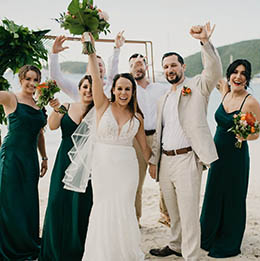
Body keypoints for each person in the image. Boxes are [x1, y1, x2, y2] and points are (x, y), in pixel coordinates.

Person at [64, 33, 151, 260]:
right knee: (103, 207)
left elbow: (144, 148)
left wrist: (157, 164)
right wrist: (90, 49)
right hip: (104, 166)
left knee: (124, 208)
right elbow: (94, 74)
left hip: (127, 168)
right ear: (112, 89)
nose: (123, 93)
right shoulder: (102, 105)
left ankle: (125, 253)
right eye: (120, 88)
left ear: (133, 92)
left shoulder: (137, 118)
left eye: (127, 89)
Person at [148, 22, 222, 260]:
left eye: (173, 65)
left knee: (189, 212)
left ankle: (191, 256)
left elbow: (214, 70)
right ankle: (176, 245)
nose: (170, 69)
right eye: (166, 67)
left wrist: (204, 42)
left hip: (188, 158)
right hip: (166, 161)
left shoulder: (198, 85)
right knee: (174, 211)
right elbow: (160, 133)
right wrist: (154, 160)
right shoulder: (163, 98)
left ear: (183, 66)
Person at [0, 51, 48, 260]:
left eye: (36, 80)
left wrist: (45, 157)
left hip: (31, 158)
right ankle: (6, 246)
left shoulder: (39, 105)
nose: (31, 83)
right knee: (9, 200)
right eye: (28, 79)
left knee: (28, 201)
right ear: (21, 80)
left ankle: (26, 243)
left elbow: (40, 133)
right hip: (12, 155)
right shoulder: (10, 98)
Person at [200, 60, 260, 258]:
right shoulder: (224, 93)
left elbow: (256, 133)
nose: (238, 76)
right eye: (235, 72)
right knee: (214, 194)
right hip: (216, 155)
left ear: (248, 77)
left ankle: (228, 240)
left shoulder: (250, 102)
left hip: (236, 156)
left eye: (244, 73)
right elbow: (211, 65)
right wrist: (204, 41)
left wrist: (245, 135)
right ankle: (207, 236)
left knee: (234, 197)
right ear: (229, 75)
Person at [39, 76, 94, 260]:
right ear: (79, 88)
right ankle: (56, 248)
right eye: (85, 86)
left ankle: (79, 249)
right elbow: (53, 126)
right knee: (58, 202)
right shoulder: (67, 106)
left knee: (81, 205)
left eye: (92, 87)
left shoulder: (99, 110)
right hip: (64, 161)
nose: (88, 90)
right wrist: (56, 109)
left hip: (88, 164)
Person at [128, 52, 171, 227]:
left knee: (165, 178)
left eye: (140, 63)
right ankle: (135, 218)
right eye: (133, 64)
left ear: (146, 66)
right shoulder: (129, 89)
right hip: (136, 138)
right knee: (136, 180)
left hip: (159, 136)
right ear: (130, 68)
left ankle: (166, 214)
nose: (138, 67)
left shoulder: (160, 88)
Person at [49, 34, 121, 101]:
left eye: (99, 65)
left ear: (105, 70)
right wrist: (54, 54)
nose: (96, 68)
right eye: (94, 65)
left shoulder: (110, 87)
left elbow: (113, 72)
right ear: (87, 70)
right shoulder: (78, 89)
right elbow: (57, 78)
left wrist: (117, 48)